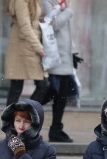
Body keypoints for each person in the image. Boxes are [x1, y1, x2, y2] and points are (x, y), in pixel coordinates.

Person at [38, 0, 76, 142]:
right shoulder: (47, 3)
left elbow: (67, 33)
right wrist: (68, 11)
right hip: (54, 58)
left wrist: (73, 52)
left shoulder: (60, 4)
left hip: (65, 59)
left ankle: (56, 129)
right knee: (48, 93)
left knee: (62, 96)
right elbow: (52, 24)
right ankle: (25, 116)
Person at [5, 0, 49, 107]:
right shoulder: (21, 1)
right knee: (18, 86)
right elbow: (24, 26)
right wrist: (38, 47)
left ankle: (24, 115)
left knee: (41, 85)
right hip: (23, 46)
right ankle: (13, 120)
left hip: (29, 45)